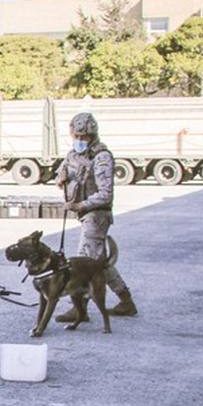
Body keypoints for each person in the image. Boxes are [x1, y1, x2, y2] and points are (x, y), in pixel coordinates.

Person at [54, 112, 137, 321]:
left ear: (93, 136)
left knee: (83, 263)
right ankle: (126, 301)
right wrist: (60, 179)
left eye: (85, 138)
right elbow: (62, 174)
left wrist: (80, 204)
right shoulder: (73, 154)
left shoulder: (101, 157)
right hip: (83, 214)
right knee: (100, 264)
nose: (80, 141)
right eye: (77, 137)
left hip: (96, 215)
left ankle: (79, 308)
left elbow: (105, 193)